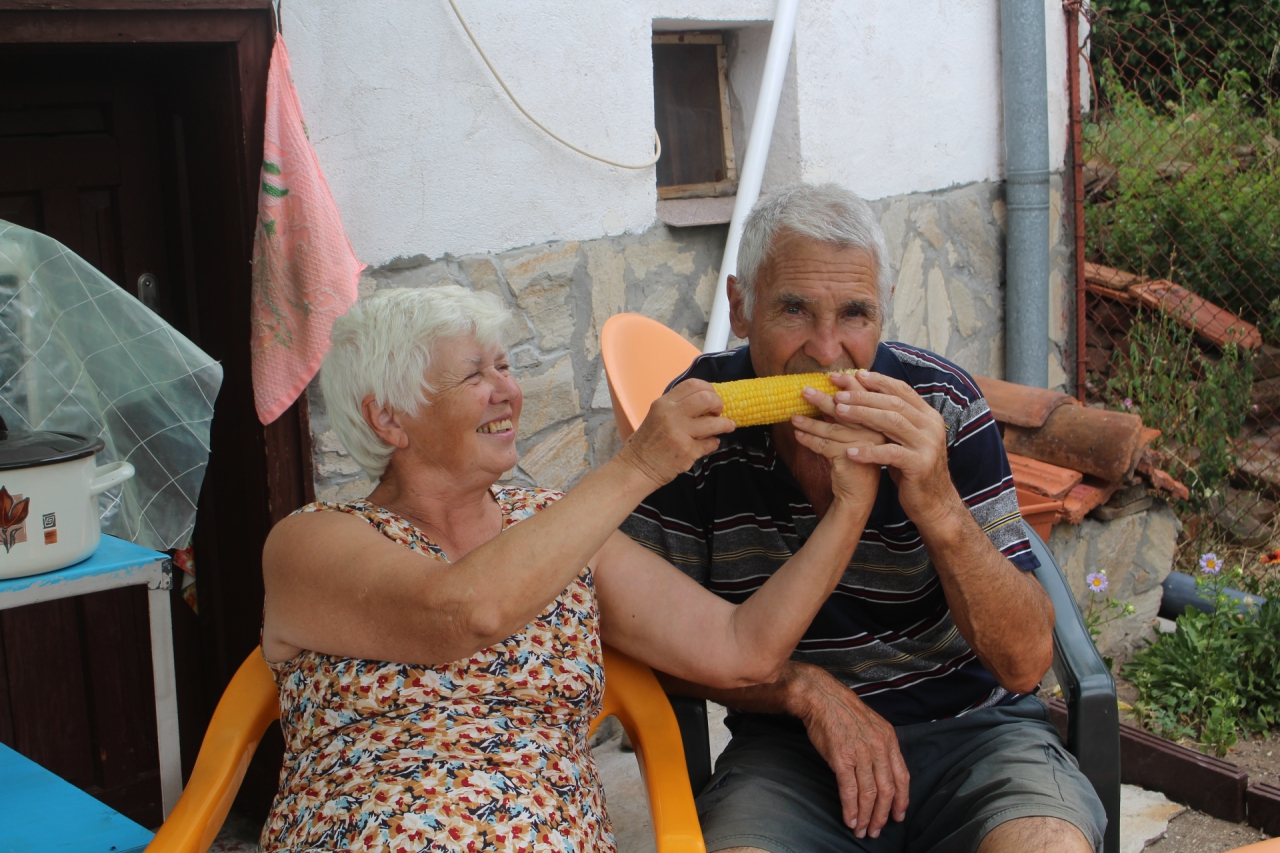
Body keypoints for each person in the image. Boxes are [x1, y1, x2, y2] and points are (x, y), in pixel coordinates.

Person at [257, 284, 885, 853]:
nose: (507, 390)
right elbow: (463, 613)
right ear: (389, 418)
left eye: (505, 366)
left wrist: (850, 510)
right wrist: (637, 466)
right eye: (475, 375)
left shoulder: (558, 527)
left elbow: (743, 649)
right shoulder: (310, 541)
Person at [621, 183, 1108, 853]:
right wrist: (802, 689)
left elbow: (1024, 664)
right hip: (790, 753)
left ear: (883, 314)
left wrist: (936, 502)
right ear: (741, 307)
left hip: (978, 738)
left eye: (854, 314)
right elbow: (648, 639)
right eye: (794, 309)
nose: (827, 351)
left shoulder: (947, 407)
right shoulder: (695, 426)